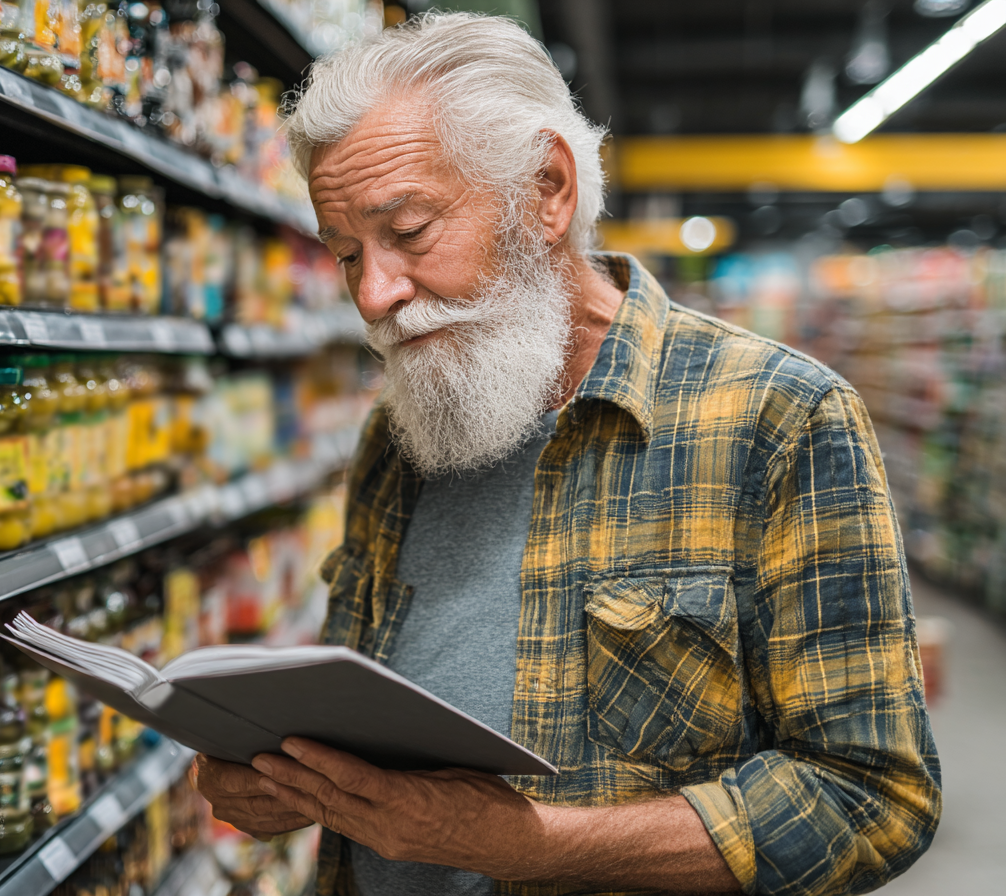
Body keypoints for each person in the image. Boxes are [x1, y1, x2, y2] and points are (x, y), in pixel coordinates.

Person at [195, 12, 942, 896]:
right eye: (347, 252)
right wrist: (279, 773)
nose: (375, 295)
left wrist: (535, 845)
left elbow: (868, 796)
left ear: (546, 191)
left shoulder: (780, 420)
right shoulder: (399, 441)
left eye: (410, 231)